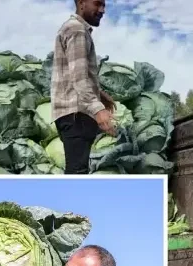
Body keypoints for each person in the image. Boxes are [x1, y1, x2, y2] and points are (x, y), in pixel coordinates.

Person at [51, 0, 117, 174]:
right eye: (97, 4)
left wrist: (101, 95)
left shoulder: (72, 28)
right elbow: (79, 79)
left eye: (104, 5)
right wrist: (98, 109)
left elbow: (74, 73)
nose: (102, 10)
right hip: (76, 115)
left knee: (76, 170)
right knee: (77, 172)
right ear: (81, 3)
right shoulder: (77, 30)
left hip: (70, 114)